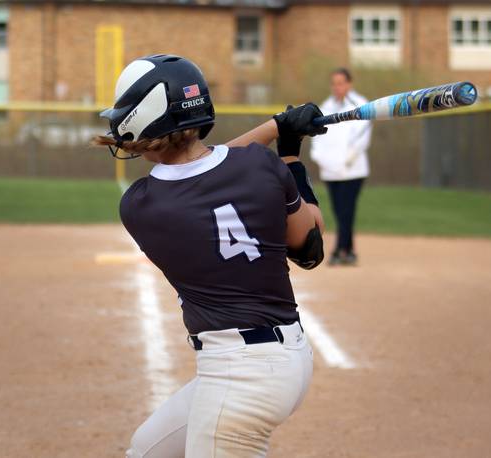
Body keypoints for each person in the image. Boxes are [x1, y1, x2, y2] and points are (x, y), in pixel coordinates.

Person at [95, 54, 327, 457]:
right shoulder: (262, 166)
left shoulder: (142, 205)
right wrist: (288, 150)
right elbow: (309, 247)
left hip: (241, 377)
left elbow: (208, 172)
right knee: (147, 451)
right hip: (285, 360)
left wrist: (273, 130)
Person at [310, 68, 372, 266]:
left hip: (353, 170)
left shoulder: (361, 104)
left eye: (341, 83)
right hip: (330, 171)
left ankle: (339, 250)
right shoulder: (325, 107)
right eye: (334, 83)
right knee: (339, 211)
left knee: (347, 210)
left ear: (349, 84)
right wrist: (323, 160)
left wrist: (346, 160)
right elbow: (317, 140)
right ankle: (349, 250)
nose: (337, 87)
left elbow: (362, 137)